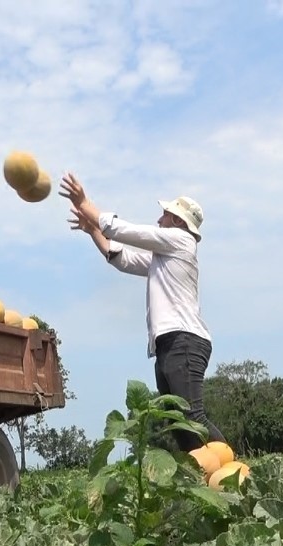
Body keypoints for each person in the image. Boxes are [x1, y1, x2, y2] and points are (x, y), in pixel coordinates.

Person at [59, 171, 226, 452]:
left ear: (177, 222)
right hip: (170, 344)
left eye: (164, 215)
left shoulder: (180, 240)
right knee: (180, 424)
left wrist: (85, 202)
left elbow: (124, 231)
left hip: (184, 340)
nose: (159, 220)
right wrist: (92, 231)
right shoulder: (163, 256)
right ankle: (205, 478)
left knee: (192, 417)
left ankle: (234, 473)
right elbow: (120, 257)